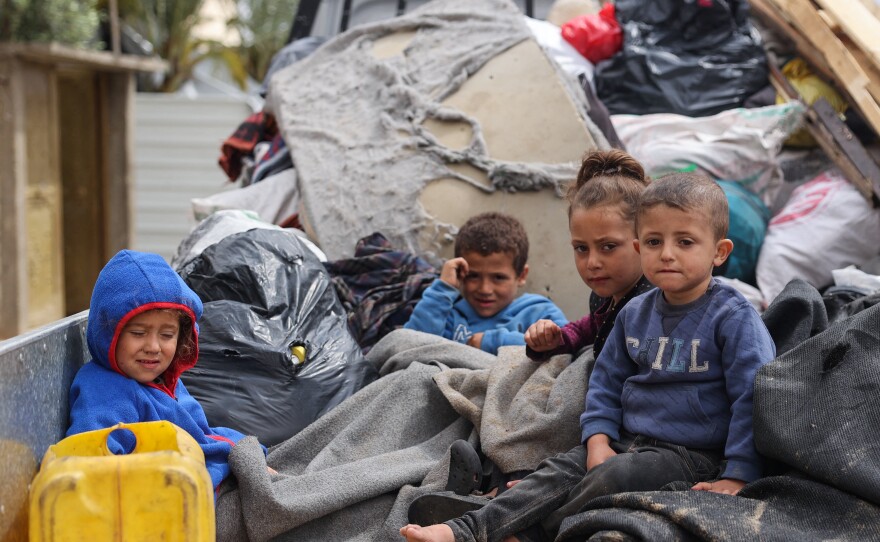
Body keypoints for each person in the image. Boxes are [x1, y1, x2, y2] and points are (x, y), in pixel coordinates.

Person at [400, 172, 776, 542]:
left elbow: (753, 397)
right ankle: (463, 530)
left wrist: (738, 474)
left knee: (612, 478)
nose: (666, 254)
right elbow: (606, 380)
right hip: (627, 438)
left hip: (690, 454)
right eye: (654, 241)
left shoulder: (732, 318)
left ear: (719, 252)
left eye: (685, 242)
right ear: (638, 246)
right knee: (559, 469)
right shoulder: (635, 313)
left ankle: (525, 533)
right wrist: (597, 439)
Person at [67, 249, 262, 492]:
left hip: (211, 483)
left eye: (167, 335)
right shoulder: (105, 389)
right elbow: (92, 465)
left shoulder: (164, 382)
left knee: (323, 439)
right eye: (138, 333)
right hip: (190, 507)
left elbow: (204, 436)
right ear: (108, 332)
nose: (153, 347)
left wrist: (247, 454)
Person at [524, 149, 653, 363]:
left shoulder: (658, 306)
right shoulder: (606, 296)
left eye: (608, 246)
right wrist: (557, 338)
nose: (592, 263)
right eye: (581, 248)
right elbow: (593, 327)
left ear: (646, 241)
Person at [404, 212, 567, 355]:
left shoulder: (538, 313)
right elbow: (407, 348)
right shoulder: (449, 315)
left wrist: (491, 342)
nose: (484, 289)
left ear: (521, 275)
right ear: (461, 274)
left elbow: (565, 346)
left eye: (498, 278)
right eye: (473, 276)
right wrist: (442, 289)